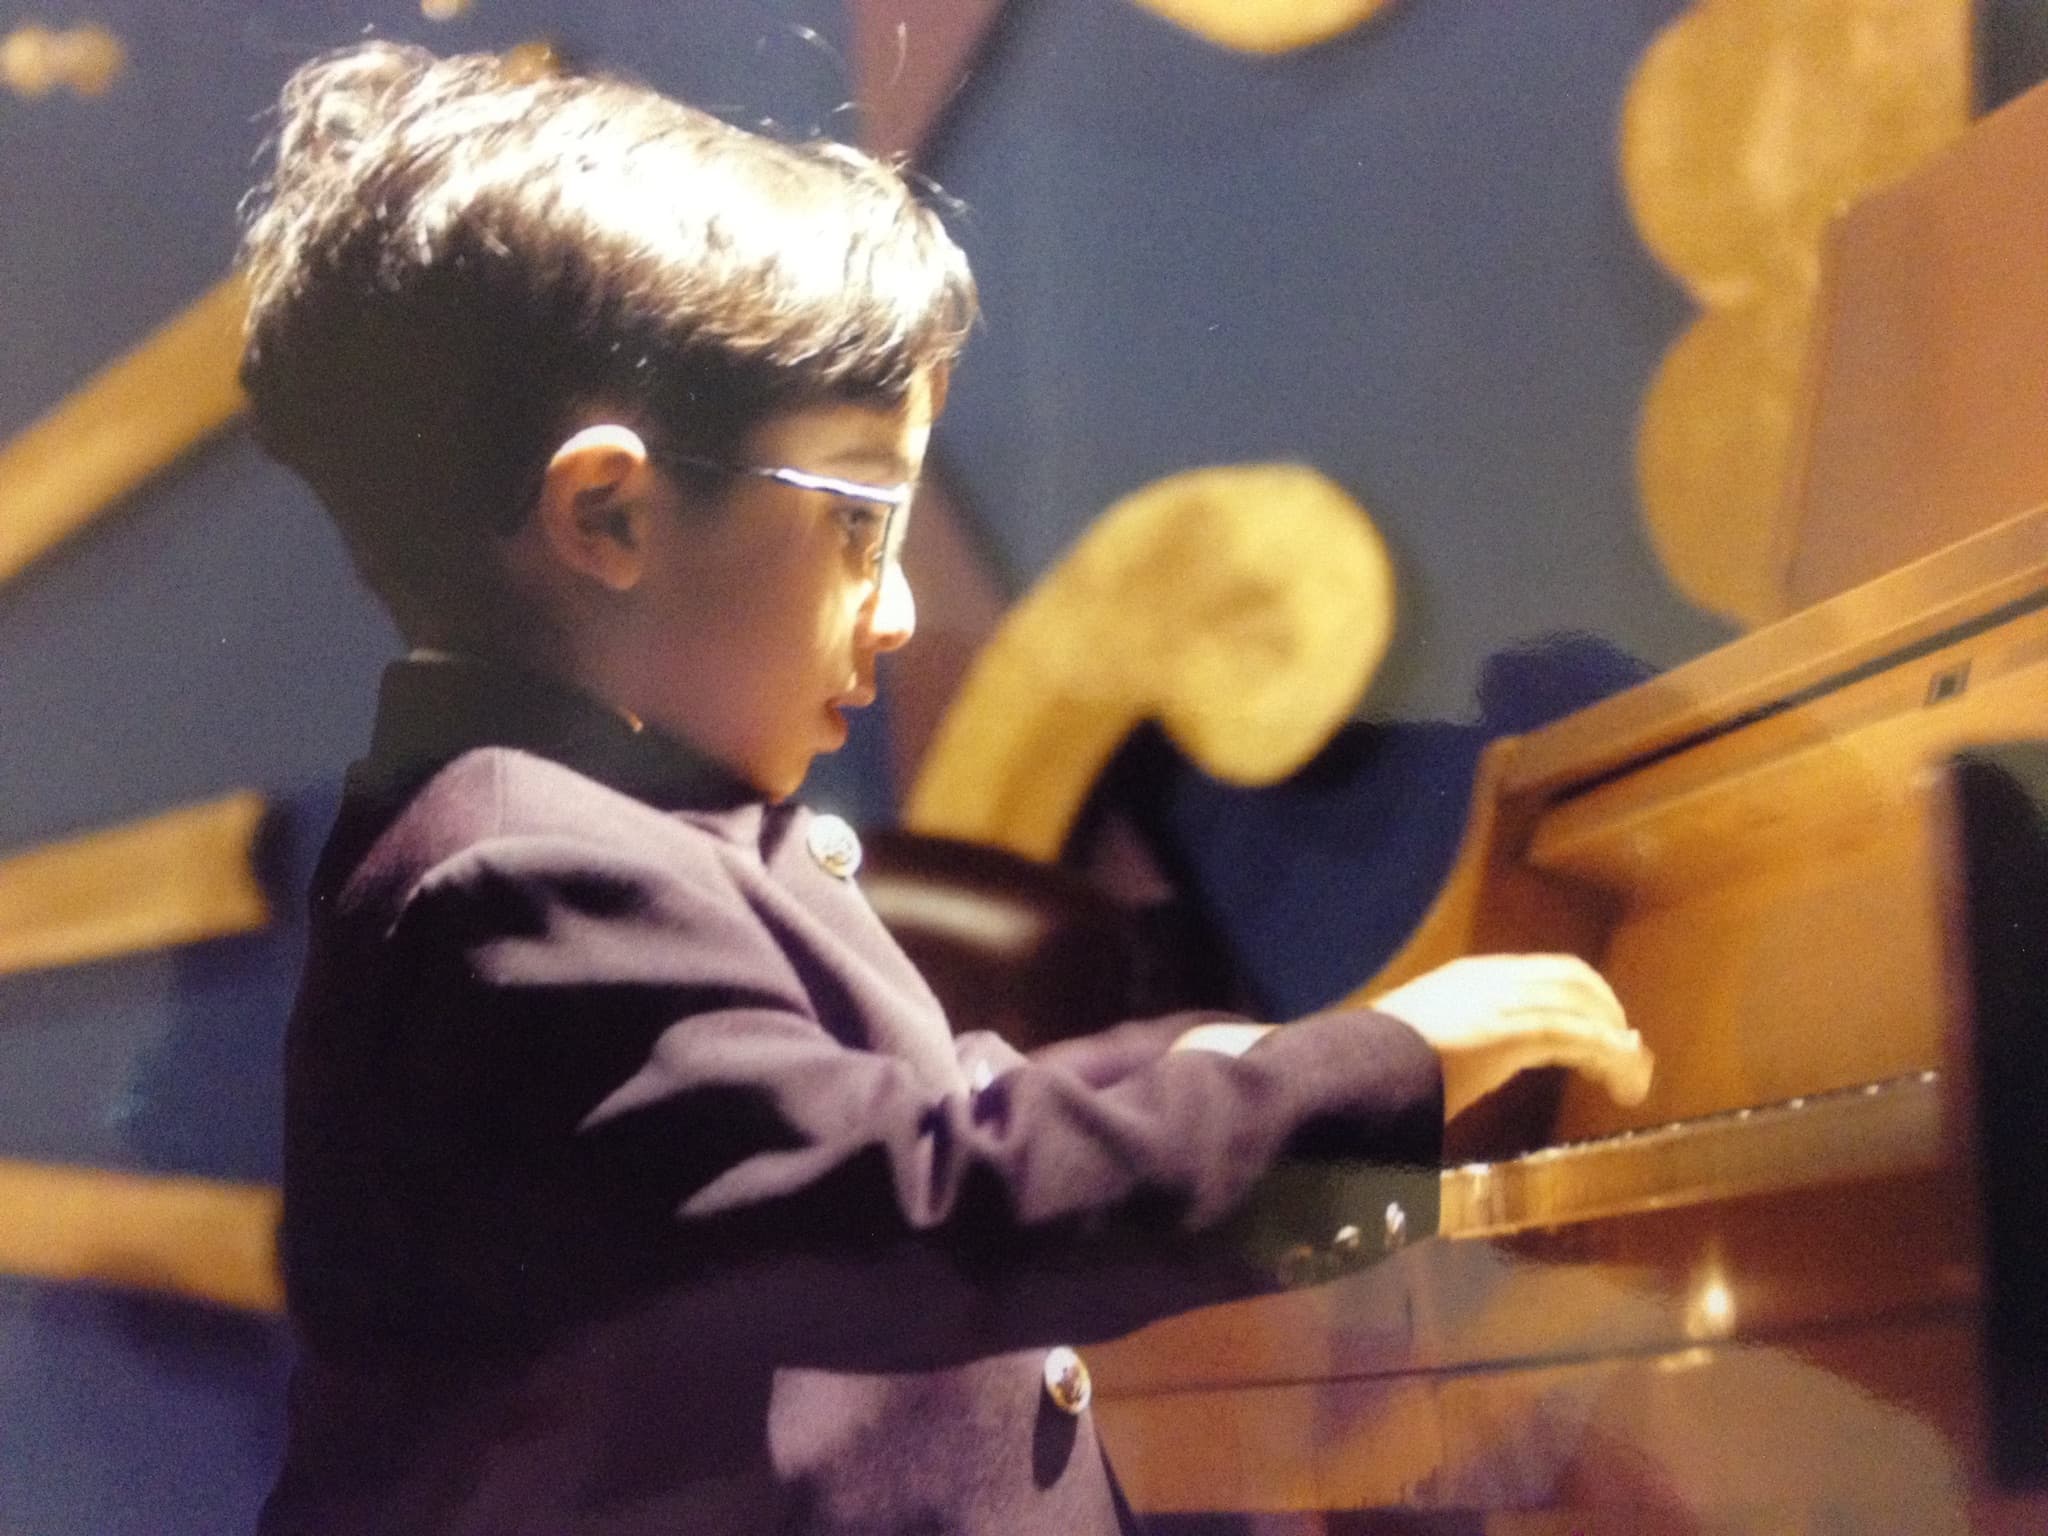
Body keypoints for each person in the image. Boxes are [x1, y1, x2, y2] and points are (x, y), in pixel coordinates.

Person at [242, 42, 1651, 1536]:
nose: (900, 608)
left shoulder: (645, 840)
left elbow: (925, 1104)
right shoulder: (518, 883)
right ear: (609, 513)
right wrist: (1366, 1086)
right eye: (861, 525)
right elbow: (919, 1205)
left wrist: (1224, 1061)